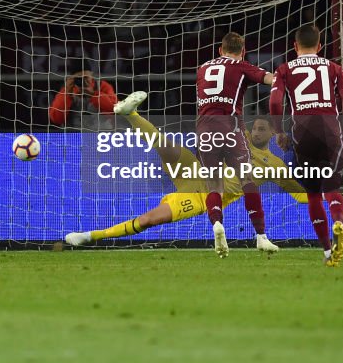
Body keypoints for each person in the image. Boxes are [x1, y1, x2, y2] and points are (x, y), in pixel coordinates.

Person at [66, 93, 305, 248]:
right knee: (163, 144)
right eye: (255, 128)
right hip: (196, 170)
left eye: (262, 129)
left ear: (273, 133)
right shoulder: (241, 138)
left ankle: (90, 236)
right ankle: (131, 114)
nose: (256, 133)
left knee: (149, 219)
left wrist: (329, 195)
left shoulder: (276, 165)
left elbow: (299, 194)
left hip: (201, 197)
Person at [269, 24, 343, 267]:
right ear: (320, 47)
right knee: (332, 189)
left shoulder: (284, 69)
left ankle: (327, 250)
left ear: (295, 46)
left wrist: (279, 132)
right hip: (331, 133)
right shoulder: (333, 67)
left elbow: (275, 103)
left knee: (313, 194)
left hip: (303, 135)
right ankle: (338, 220)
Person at [195, 32, 276, 257]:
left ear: (220, 50)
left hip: (204, 130)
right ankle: (261, 237)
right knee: (247, 180)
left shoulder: (203, 68)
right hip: (231, 129)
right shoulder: (242, 66)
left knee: (214, 185)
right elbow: (270, 79)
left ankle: (217, 225)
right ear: (243, 52)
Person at [48, 66, 118, 131]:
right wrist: (67, 95)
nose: (83, 81)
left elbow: (115, 110)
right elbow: (56, 119)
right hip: (74, 134)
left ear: (91, 75)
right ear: (72, 79)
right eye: (79, 78)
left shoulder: (103, 87)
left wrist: (94, 94)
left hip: (100, 133)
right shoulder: (67, 90)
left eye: (86, 77)